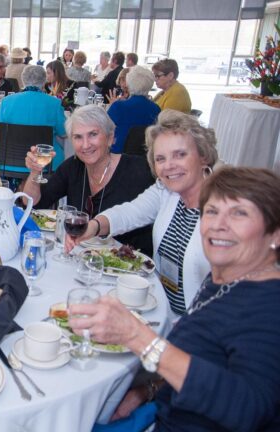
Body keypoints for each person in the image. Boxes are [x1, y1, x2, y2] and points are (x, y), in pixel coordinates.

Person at [71, 166, 280, 431]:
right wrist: (147, 390)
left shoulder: (270, 305)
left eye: (239, 213)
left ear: (275, 234)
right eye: (212, 211)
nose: (219, 225)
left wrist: (137, 336)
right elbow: (199, 359)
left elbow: (249, 409)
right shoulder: (223, 282)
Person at [66, 110, 219, 317]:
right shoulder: (165, 191)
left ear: (203, 156)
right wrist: (93, 226)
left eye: (180, 154)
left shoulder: (223, 207)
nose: (169, 166)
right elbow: (130, 212)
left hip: (199, 324)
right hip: (159, 307)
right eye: (161, 158)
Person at [21, 105, 154, 255]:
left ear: (110, 138)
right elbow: (34, 204)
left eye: (93, 134)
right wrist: (34, 173)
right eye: (78, 137)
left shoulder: (139, 170)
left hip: (127, 266)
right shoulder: (73, 167)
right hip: (81, 259)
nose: (85, 145)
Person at [0, 65, 67, 169]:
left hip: (11, 163)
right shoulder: (54, 103)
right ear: (44, 81)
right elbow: (64, 133)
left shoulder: (6, 102)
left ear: (23, 80)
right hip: (46, 163)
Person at [108, 67, 161, 153]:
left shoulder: (118, 106)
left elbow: (103, 130)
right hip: (145, 157)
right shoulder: (156, 109)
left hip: (118, 155)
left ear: (128, 84)